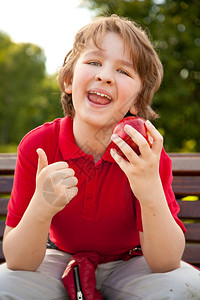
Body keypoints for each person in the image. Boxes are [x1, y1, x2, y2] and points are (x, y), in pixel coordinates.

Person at [0, 14, 199, 300]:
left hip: (131, 264)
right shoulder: (39, 145)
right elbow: (19, 262)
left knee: (186, 288)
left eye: (124, 71)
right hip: (59, 260)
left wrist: (148, 189)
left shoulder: (145, 154)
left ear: (137, 101)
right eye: (94, 62)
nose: (104, 75)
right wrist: (41, 208)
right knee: (4, 285)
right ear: (69, 80)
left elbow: (165, 263)